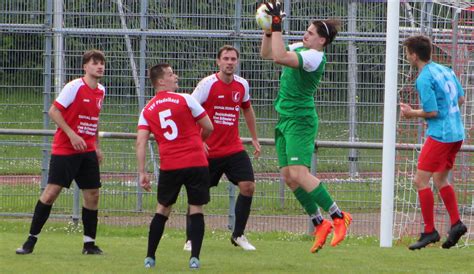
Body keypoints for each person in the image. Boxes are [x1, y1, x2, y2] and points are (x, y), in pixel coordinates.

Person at [259, 1, 352, 253]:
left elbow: (279, 56)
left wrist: (277, 23)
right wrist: (268, 29)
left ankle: (338, 216)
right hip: (284, 119)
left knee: (299, 173)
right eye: (306, 31)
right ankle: (319, 222)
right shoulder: (302, 47)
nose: (305, 34)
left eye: (310, 33)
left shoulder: (314, 57)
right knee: (289, 178)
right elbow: (268, 54)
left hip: (300, 120)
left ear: (322, 41)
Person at [16, 50, 106, 255]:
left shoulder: (101, 90)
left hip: (88, 150)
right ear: (85, 67)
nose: (99, 66)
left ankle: (89, 244)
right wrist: (72, 135)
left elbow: (95, 118)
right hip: (66, 149)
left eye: (101, 63)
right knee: (51, 194)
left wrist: (97, 147)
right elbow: (53, 111)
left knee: (92, 194)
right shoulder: (74, 87)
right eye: (95, 63)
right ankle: (30, 241)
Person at [183, 45, 261, 252]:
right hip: (208, 149)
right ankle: (191, 239)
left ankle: (238, 235)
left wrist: (254, 138)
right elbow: (189, 110)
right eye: (226, 59)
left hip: (233, 148)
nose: (229, 62)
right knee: (197, 193)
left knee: (248, 186)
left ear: (237, 62)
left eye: (233, 59)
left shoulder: (242, 85)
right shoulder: (207, 85)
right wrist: (198, 142)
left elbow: (247, 110)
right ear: (218, 62)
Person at [137, 63, 214, 269]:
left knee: (163, 208)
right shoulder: (186, 99)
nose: (175, 76)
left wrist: (142, 172)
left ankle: (150, 257)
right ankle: (194, 258)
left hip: (170, 165)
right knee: (196, 208)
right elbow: (208, 126)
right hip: (196, 162)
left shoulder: (147, 109)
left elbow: (141, 142)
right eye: (171, 74)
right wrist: (199, 141)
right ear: (161, 81)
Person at [400, 35, 467, 250]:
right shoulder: (445, 70)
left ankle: (430, 231)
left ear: (414, 54)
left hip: (440, 135)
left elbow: (432, 111)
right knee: (440, 179)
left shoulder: (424, 78)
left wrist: (411, 113)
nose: (406, 56)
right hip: (457, 133)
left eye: (407, 52)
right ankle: (456, 224)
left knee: (420, 180)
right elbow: (461, 99)